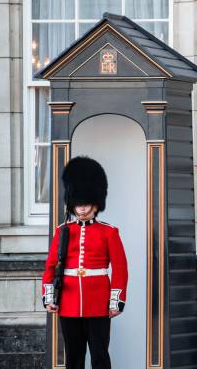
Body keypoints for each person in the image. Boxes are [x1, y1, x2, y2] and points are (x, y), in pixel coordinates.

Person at [42, 156, 128, 369]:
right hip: (68, 301)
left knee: (99, 354)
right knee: (73, 354)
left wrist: (116, 300)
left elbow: (120, 268)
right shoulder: (62, 231)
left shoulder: (109, 232)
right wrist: (49, 297)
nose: (81, 208)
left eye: (85, 203)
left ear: (96, 204)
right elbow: (51, 266)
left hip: (98, 300)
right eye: (77, 203)